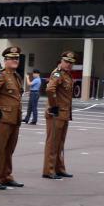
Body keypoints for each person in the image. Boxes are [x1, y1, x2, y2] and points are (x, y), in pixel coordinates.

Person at [0, 46, 25, 190]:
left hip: (14, 117)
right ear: (6, 60)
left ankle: (6, 176)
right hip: (3, 117)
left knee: (9, 149)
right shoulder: (0, 75)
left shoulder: (16, 76)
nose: (15, 61)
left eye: (17, 58)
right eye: (12, 58)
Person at [42, 51, 75, 180]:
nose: (69, 65)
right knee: (53, 143)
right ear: (61, 61)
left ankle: (59, 168)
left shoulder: (67, 75)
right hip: (56, 113)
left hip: (64, 113)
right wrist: (54, 106)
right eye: (66, 62)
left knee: (60, 143)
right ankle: (49, 170)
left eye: (71, 63)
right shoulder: (57, 73)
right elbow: (50, 89)